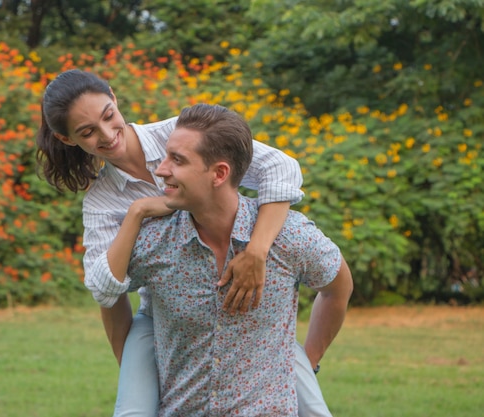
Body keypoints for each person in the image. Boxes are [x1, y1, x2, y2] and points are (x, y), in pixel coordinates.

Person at [35, 70, 323, 416]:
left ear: (113, 96)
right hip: (162, 314)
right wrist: (137, 212)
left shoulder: (182, 136)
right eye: (87, 133)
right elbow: (104, 288)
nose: (108, 134)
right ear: (67, 140)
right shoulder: (102, 202)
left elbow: (281, 168)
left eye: (108, 115)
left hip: (242, 299)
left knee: (313, 410)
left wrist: (256, 251)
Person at [89, 103, 354, 416]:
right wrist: (137, 378)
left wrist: (306, 363)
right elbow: (108, 292)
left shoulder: (289, 236)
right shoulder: (152, 242)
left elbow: (338, 287)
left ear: (219, 174)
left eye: (177, 160)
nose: (160, 170)